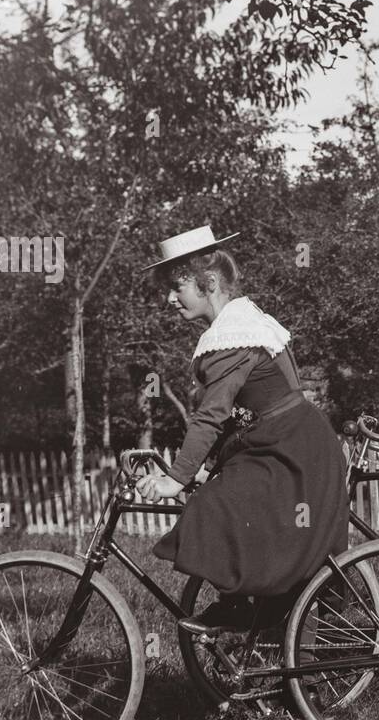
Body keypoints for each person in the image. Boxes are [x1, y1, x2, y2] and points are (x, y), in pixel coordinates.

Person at [135, 225, 348, 632]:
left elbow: (212, 416)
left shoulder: (234, 337)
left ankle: (234, 607)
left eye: (177, 287)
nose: (168, 298)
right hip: (292, 442)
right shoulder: (247, 323)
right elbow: (242, 414)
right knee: (248, 519)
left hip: (293, 450)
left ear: (209, 282)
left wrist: (175, 479)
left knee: (211, 506)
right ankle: (272, 641)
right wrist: (206, 466)